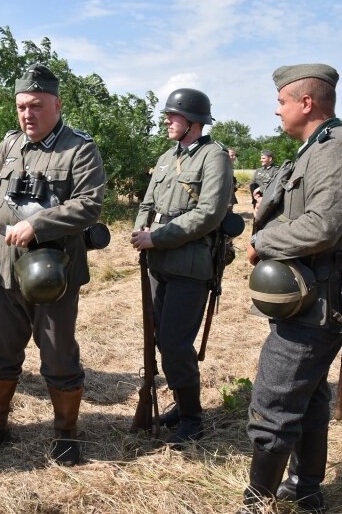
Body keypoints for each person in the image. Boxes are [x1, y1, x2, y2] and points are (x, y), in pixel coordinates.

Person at [239, 64, 342, 513]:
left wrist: (262, 241)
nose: (277, 111)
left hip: (322, 299)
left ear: (306, 103)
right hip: (312, 294)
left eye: (281, 102)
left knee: (275, 396)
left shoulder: (334, 150)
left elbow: (323, 227)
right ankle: (306, 489)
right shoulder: (314, 149)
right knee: (309, 394)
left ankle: (256, 503)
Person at [0, 63, 106, 465]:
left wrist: (37, 224)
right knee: (1, 352)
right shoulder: (8, 146)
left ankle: (66, 432)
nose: (28, 114)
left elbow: (90, 205)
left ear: (57, 105)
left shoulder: (79, 148)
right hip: (6, 272)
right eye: (22, 106)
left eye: (37, 106)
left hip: (54, 274)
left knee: (59, 354)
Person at [130, 88, 233, 448]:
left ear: (193, 122)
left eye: (173, 116)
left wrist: (157, 237)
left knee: (175, 342)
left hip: (190, 264)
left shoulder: (214, 157)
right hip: (157, 262)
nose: (167, 121)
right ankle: (182, 402)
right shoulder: (164, 158)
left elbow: (209, 214)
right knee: (161, 339)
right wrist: (140, 228)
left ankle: (192, 417)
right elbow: (147, 202)